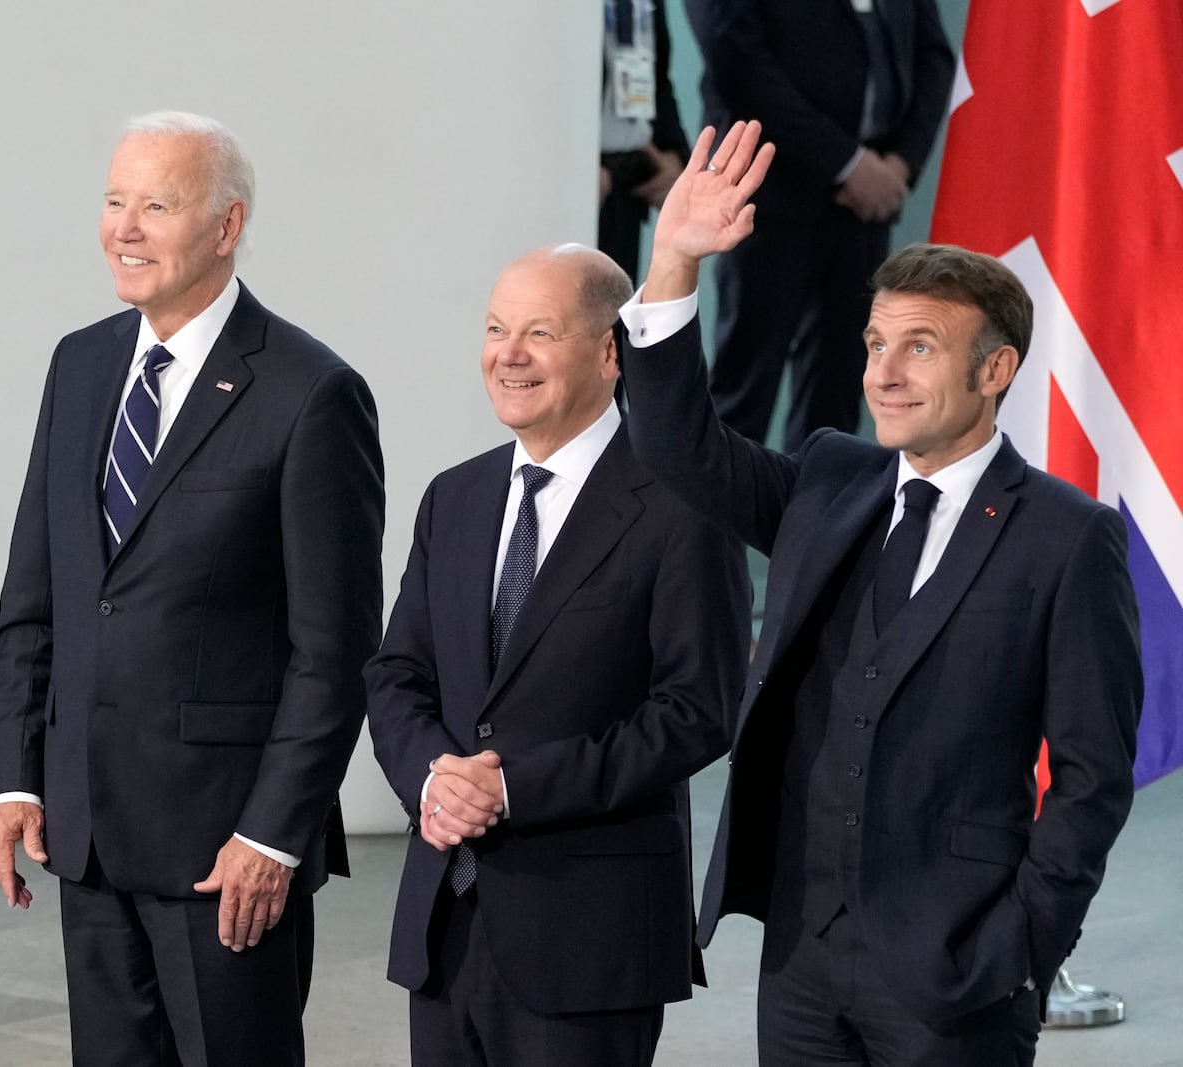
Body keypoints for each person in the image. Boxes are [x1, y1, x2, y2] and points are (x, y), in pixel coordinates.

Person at [619, 121, 1142, 1065]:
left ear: (995, 371)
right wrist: (674, 261)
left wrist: (1021, 947)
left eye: (919, 349)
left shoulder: (1071, 538)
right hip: (801, 964)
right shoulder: (830, 477)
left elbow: (1094, 777)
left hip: (961, 978)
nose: (882, 374)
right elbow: (676, 445)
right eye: (874, 343)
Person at [0, 111, 384, 1066]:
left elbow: (334, 652)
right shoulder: (79, 364)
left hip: (225, 851)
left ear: (225, 223)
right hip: (87, 832)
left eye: (154, 205)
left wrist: (274, 836)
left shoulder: (311, 391)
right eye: (115, 200)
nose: (124, 227)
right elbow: (34, 596)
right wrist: (13, 774)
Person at [367, 243, 750, 1064]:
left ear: (611, 351)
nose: (508, 354)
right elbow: (398, 672)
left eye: (538, 332)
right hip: (446, 921)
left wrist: (512, 788)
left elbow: (698, 710)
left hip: (592, 938)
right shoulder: (455, 496)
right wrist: (437, 775)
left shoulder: (680, 503)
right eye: (497, 328)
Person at [684, 0, 954, 449]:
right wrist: (846, 163)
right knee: (743, 392)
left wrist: (898, 166)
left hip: (865, 205)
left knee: (839, 395)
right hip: (768, 199)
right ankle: (721, 521)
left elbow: (933, 54)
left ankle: (818, 516)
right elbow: (736, 57)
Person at [598, 0, 691, 278]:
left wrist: (675, 154)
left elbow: (654, 75)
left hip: (628, 191)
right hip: (564, 190)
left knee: (615, 316)